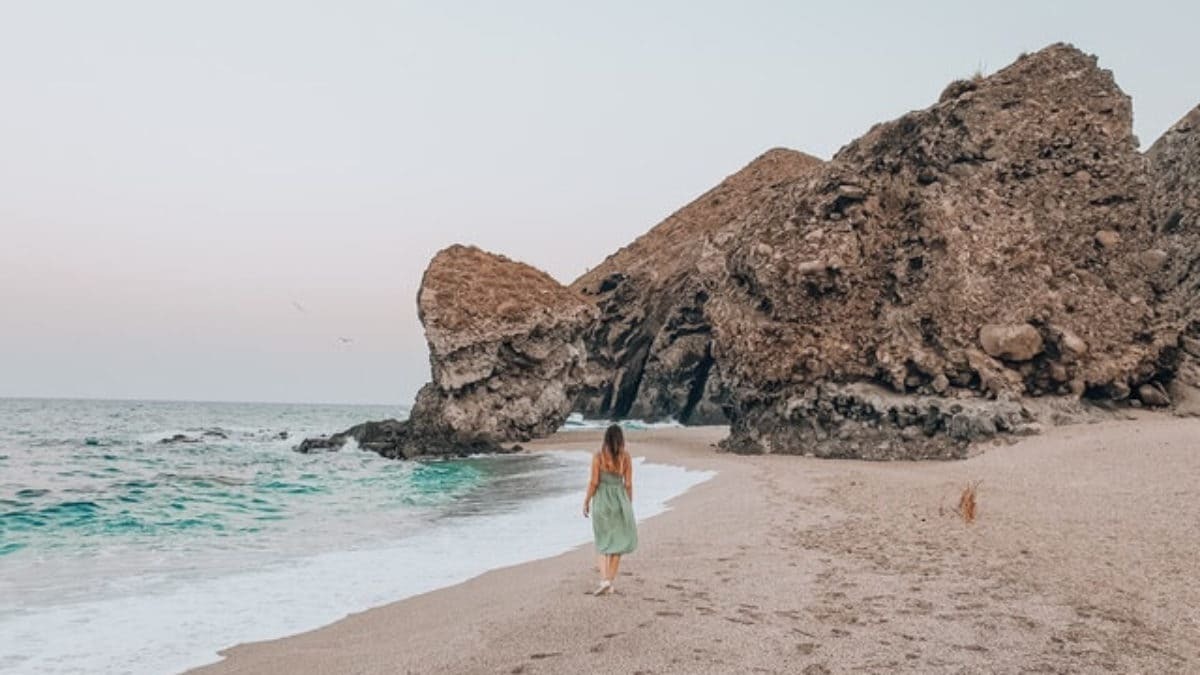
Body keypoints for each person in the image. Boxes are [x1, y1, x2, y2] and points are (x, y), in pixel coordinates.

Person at [582, 424, 637, 595]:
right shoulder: (625, 457)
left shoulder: (598, 456)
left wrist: (586, 501)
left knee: (602, 541)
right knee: (618, 543)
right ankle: (609, 581)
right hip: (620, 500)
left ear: (605, 438)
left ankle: (605, 579)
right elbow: (627, 484)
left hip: (602, 501)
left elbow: (594, 482)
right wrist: (629, 503)